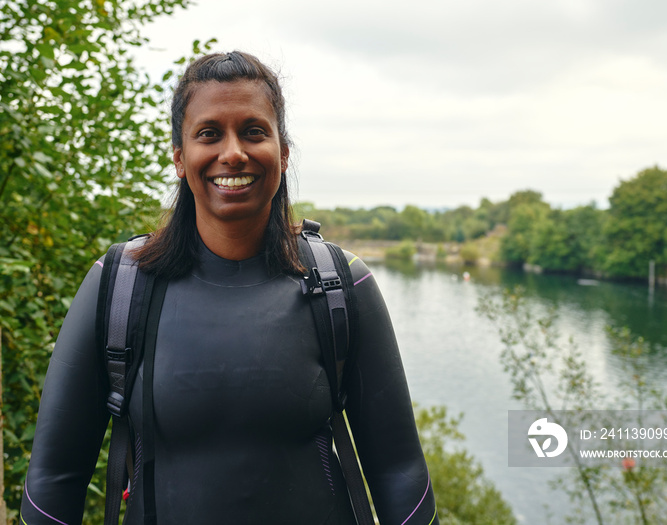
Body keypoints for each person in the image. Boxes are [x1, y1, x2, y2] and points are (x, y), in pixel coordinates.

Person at [20, 51, 438, 525]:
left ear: (283, 152)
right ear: (180, 156)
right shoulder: (118, 286)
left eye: (254, 131)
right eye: (209, 133)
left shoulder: (340, 284)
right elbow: (55, 479)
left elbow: (400, 472)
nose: (233, 152)